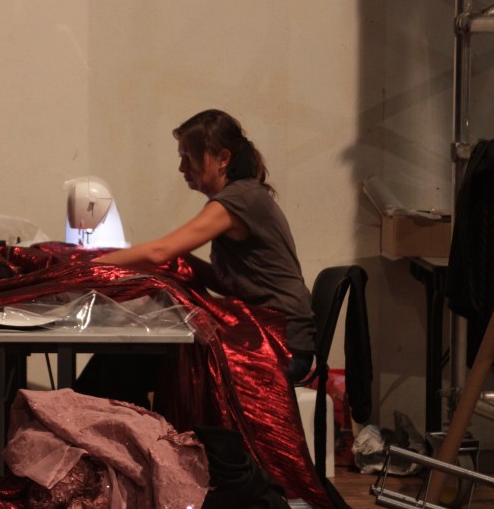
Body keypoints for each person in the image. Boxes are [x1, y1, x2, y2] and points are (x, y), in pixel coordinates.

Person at [75, 109, 316, 406]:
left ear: (223, 158)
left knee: (127, 359)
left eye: (188, 157)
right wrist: (180, 264)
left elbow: (159, 251)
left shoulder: (237, 200)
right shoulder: (243, 195)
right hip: (266, 333)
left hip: (280, 344)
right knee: (122, 357)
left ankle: (85, 420)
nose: (181, 167)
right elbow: (229, 280)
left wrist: (85, 265)